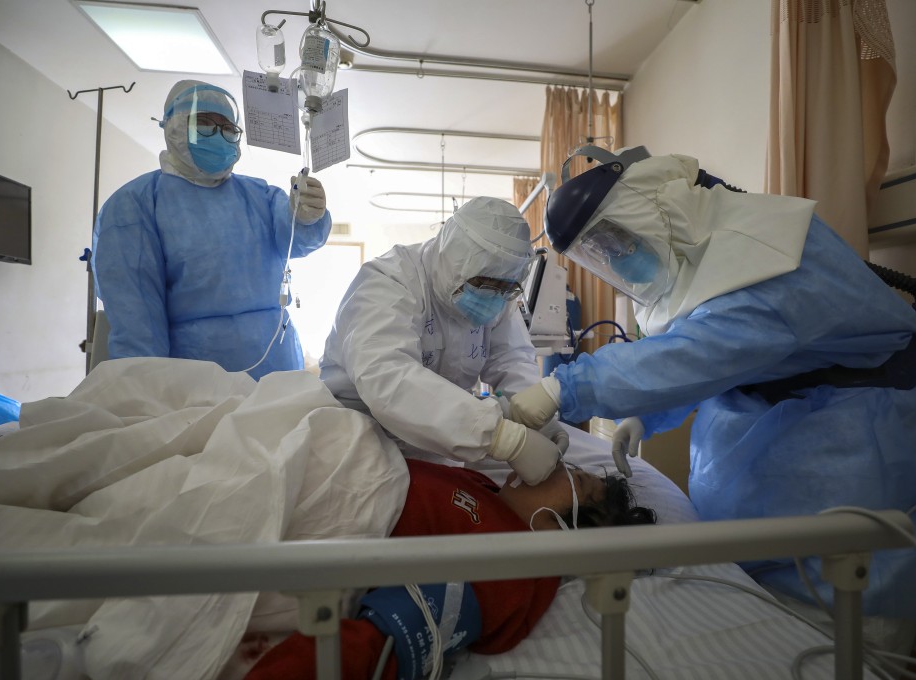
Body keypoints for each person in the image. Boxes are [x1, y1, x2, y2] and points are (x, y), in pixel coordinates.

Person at [508, 147, 916, 626]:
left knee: (854, 606)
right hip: (778, 431)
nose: (614, 259)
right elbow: (717, 353)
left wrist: (562, 389)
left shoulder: (767, 263)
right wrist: (646, 415)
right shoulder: (705, 263)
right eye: (598, 252)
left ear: (654, 210)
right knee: (761, 590)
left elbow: (702, 351)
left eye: (612, 240)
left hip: (846, 442)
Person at [243, 458, 657, 680]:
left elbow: (378, 644)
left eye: (575, 478)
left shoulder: (510, 571)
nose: (557, 465)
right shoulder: (488, 489)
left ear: (564, 528)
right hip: (312, 463)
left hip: (313, 515)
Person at [318, 197, 568, 486]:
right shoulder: (388, 282)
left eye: (506, 288)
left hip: (445, 436)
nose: (495, 297)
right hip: (362, 437)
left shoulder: (498, 296)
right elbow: (388, 377)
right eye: (485, 285)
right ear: (451, 260)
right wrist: (502, 437)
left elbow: (509, 359)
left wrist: (535, 417)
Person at [92, 80, 332, 380]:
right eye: (204, 123)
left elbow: (298, 240)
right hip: (192, 383)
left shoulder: (259, 195)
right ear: (174, 127)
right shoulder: (136, 205)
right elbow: (137, 324)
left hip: (276, 369)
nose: (219, 135)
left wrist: (309, 217)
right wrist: (148, 394)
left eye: (228, 128)